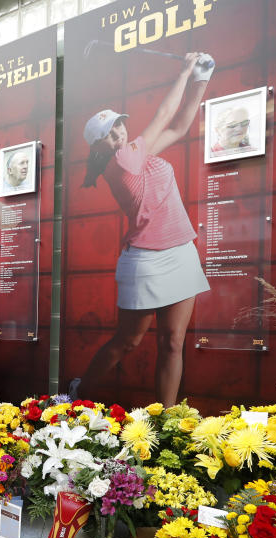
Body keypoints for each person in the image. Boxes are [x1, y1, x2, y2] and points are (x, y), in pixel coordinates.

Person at [78, 53, 214, 406]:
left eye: (119, 127)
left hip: (181, 251)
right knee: (129, 341)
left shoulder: (141, 151)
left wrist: (201, 80)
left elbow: (179, 127)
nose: (117, 135)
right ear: (98, 147)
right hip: (145, 260)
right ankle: (76, 393)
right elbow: (163, 116)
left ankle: (166, 419)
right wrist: (184, 71)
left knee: (172, 341)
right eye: (108, 135)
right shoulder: (120, 159)